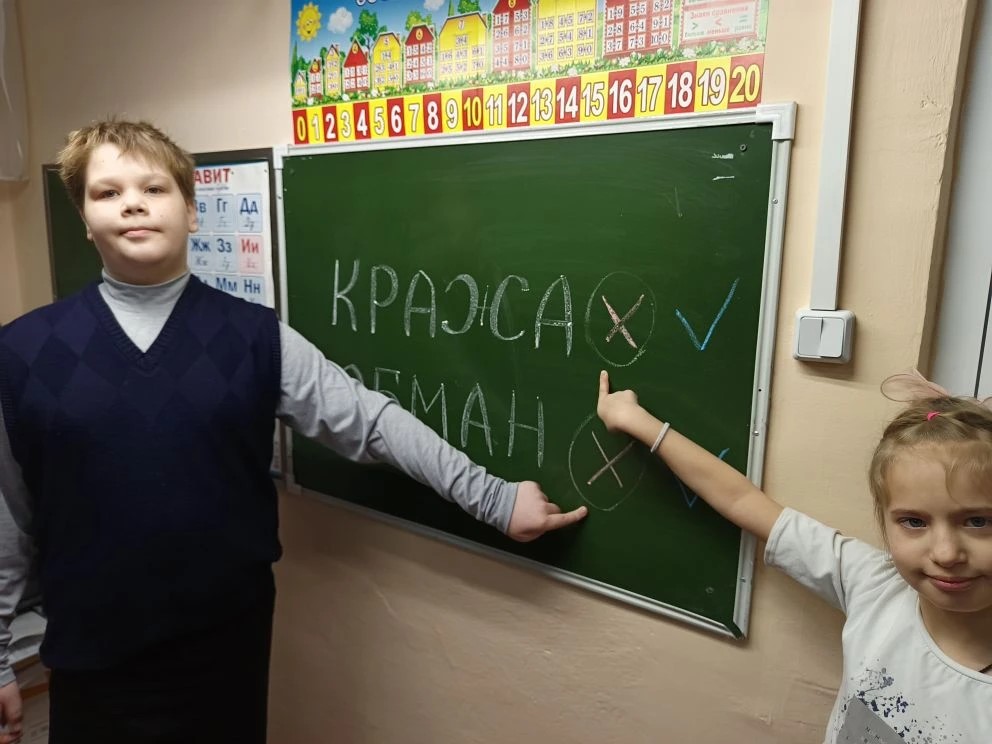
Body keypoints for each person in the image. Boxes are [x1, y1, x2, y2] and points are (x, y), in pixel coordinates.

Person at [0, 119, 588, 744]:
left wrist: (493, 498)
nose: (133, 204)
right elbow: (9, 512)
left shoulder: (256, 338)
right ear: (85, 220)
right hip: (92, 657)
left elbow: (370, 422)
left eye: (154, 188)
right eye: (108, 192)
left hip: (225, 650)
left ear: (191, 212)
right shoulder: (25, 352)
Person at [595, 369, 992, 743]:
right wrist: (638, 422)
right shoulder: (874, 583)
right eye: (914, 522)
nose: (946, 553)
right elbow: (742, 500)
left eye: (978, 521)